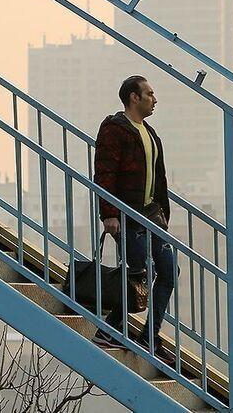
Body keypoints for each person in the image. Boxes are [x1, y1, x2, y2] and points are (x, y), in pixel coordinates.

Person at [90, 75, 177, 367]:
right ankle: (108, 328)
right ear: (133, 98)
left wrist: (163, 211)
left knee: (168, 271)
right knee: (139, 271)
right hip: (126, 214)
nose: (155, 99)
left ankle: (149, 337)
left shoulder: (150, 133)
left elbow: (159, 177)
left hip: (151, 216)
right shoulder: (115, 130)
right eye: (149, 94)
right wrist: (109, 213)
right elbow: (104, 173)